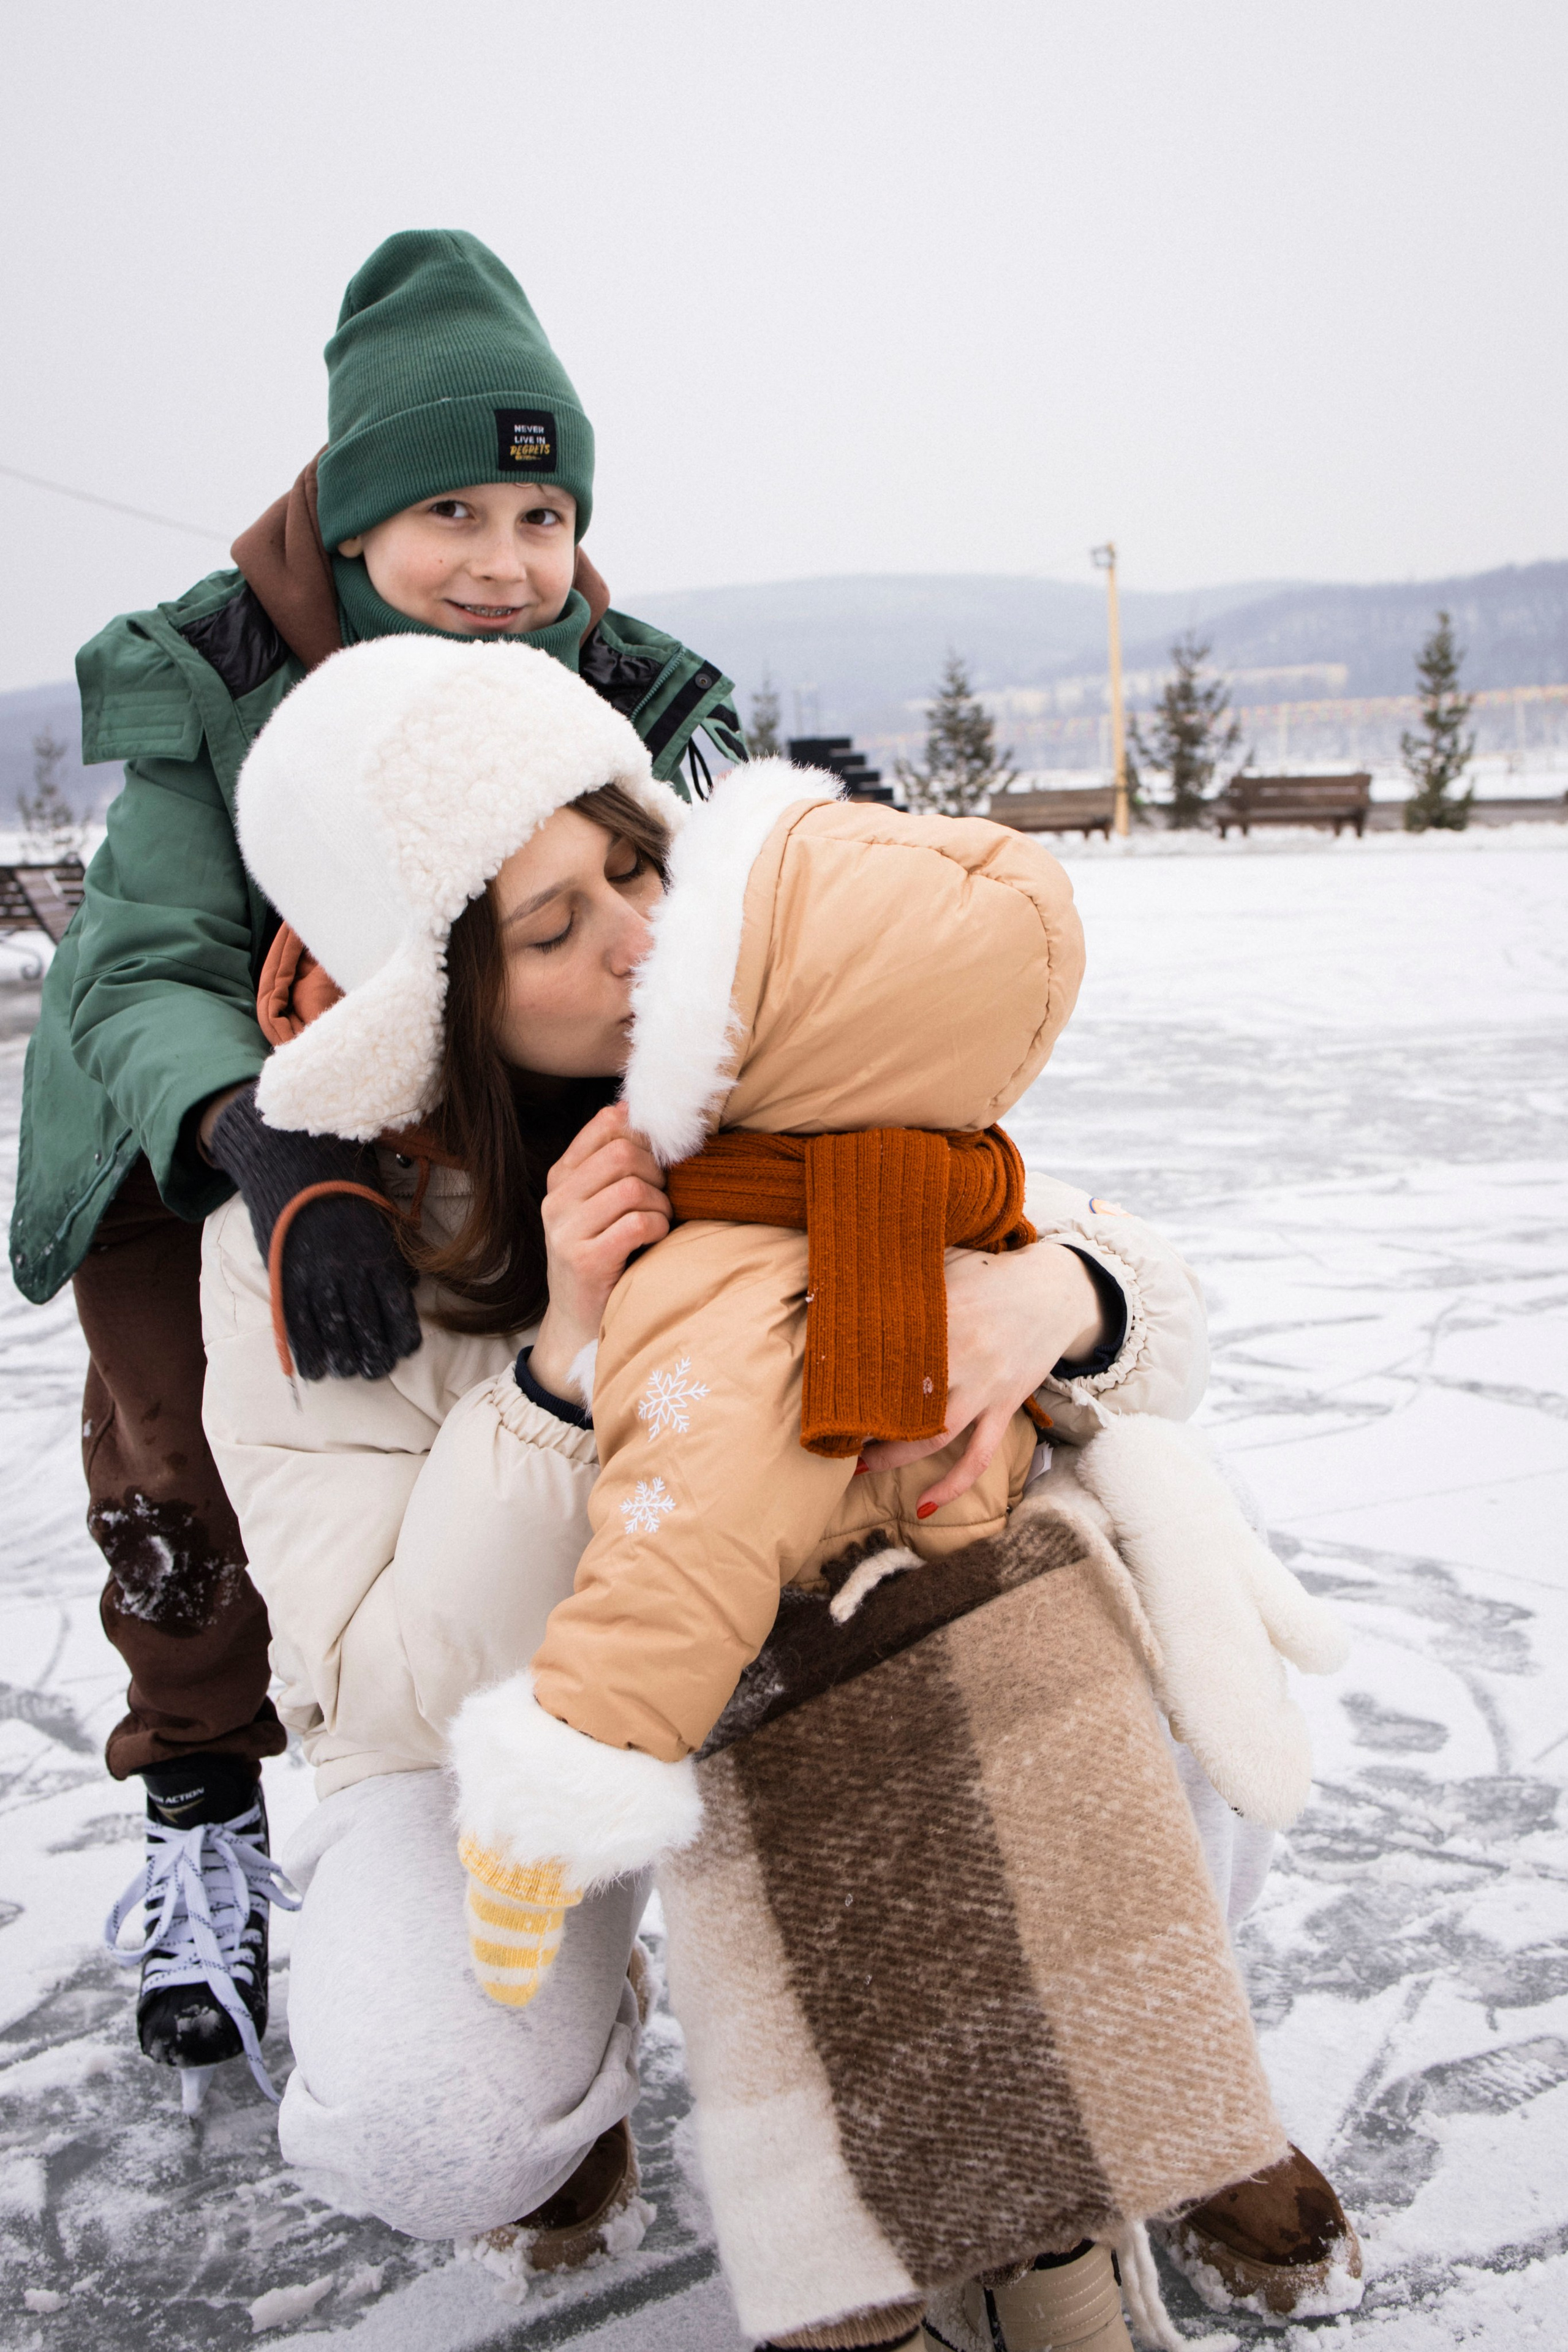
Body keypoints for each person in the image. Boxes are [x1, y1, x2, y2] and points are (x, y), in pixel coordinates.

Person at [198, 637, 1365, 2342]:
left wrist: (1062, 1297)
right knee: (425, 2118)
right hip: (516, 1726)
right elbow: (374, 1688)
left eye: (636, 864)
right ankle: (578, 2086)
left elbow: (1060, 1226)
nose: (637, 935)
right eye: (551, 928)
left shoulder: (755, 1037)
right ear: (439, 995)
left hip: (847, 1642)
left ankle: (1143, 2075)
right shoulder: (295, 1256)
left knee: (1146, 1541)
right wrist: (560, 1375)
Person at [12, 228, 745, 2094]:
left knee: (554, 1408)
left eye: (540, 514)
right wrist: (264, 1142)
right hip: (203, 1119)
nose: (503, 568)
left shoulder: (624, 682)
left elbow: (723, 893)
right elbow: (145, 955)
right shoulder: (228, 664)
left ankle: (624, 1747)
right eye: (449, 513)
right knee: (187, 1457)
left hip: (489, 1115)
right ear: (352, 522)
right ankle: (199, 1802)